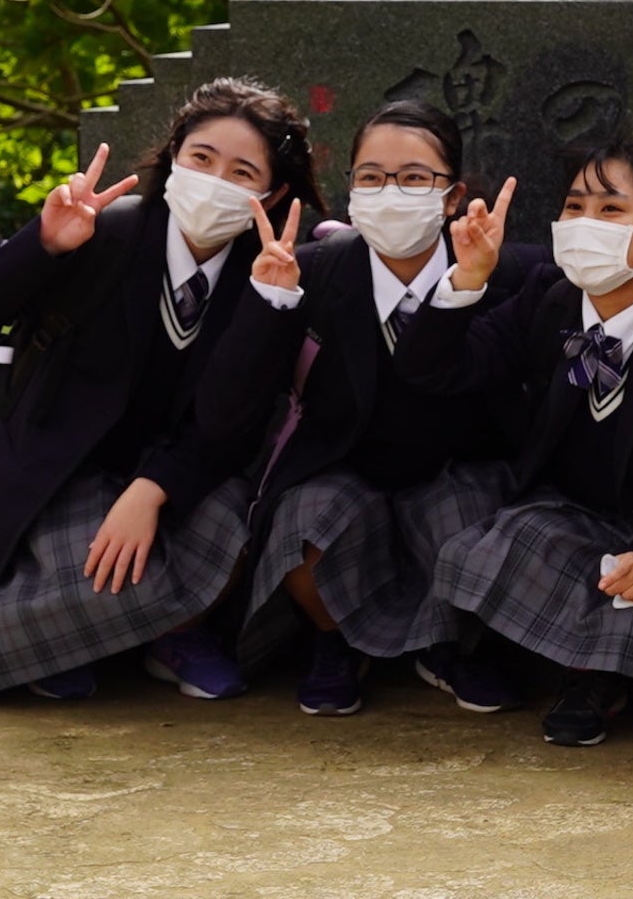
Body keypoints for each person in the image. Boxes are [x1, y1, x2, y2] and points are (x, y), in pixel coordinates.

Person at [0, 78, 316, 703]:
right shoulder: (102, 233)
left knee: (223, 525)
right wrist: (42, 243)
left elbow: (229, 420)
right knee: (77, 560)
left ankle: (167, 636)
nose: (216, 181)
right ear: (174, 157)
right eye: (202, 159)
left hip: (185, 475)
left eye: (243, 172)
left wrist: (154, 489)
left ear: (273, 193)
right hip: (56, 471)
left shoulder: (271, 277)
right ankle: (91, 635)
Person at [408, 138, 633, 748]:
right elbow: (435, 371)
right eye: (574, 208)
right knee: (485, 549)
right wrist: (468, 277)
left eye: (610, 211)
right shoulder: (548, 303)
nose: (585, 226)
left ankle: (595, 671)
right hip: (573, 522)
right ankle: (583, 660)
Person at [205, 96, 517, 716]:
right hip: (344, 468)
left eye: (414, 178)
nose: (391, 192)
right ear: (350, 189)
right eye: (372, 177)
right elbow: (225, 407)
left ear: (452, 195)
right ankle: (337, 640)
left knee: (473, 529)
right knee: (303, 527)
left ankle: (446, 648)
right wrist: (268, 304)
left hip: (455, 467)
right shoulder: (312, 271)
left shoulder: (504, 273)